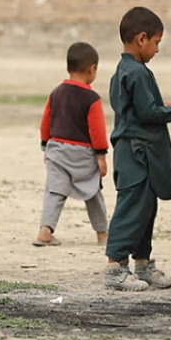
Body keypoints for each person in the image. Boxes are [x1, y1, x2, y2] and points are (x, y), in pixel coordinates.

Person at [103, 6, 171, 291]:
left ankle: (143, 264)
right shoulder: (137, 73)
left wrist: (163, 108)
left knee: (146, 208)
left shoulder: (126, 71)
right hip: (135, 154)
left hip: (139, 153)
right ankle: (115, 268)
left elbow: (140, 110)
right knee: (131, 208)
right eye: (156, 43)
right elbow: (147, 115)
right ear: (141, 39)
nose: (157, 49)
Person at [34, 41, 109, 247]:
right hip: (83, 154)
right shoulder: (92, 98)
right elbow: (97, 130)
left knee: (54, 192)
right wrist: (101, 156)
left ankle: (45, 230)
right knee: (93, 192)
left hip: (57, 150)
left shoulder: (56, 93)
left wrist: (45, 147)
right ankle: (102, 234)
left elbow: (45, 123)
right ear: (92, 68)